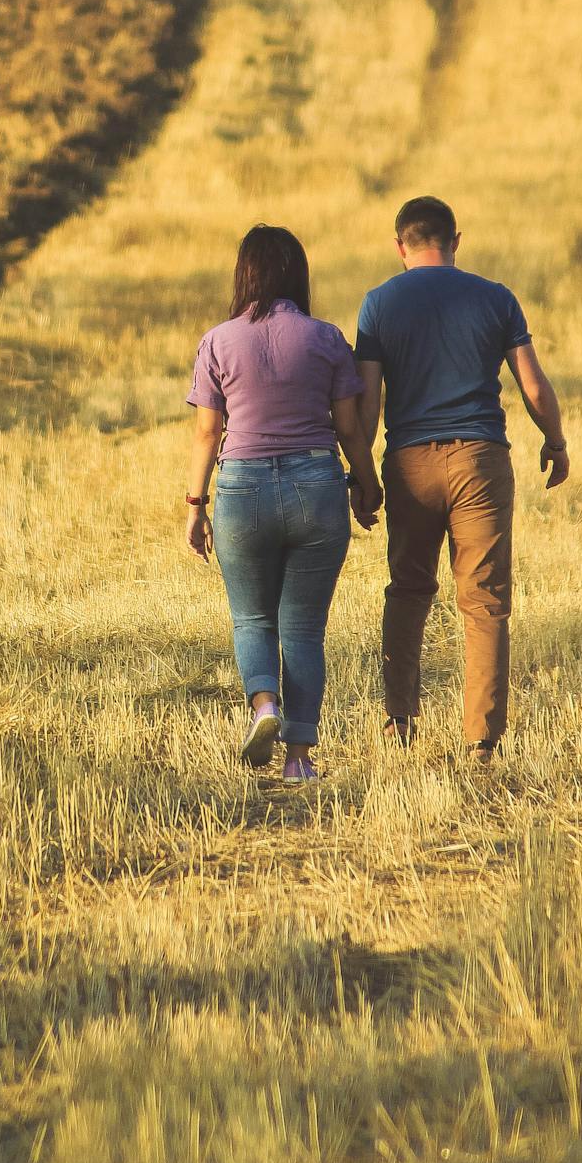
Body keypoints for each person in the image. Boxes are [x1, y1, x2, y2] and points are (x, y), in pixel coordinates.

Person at [354, 195, 569, 763]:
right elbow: (534, 386)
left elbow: (367, 402)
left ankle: (400, 720)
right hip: (479, 460)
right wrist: (555, 439)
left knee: (407, 590)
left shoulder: (378, 305)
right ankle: (481, 739)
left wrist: (360, 473)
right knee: (485, 601)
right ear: (456, 240)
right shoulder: (496, 299)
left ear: (400, 245)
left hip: (409, 463)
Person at [186, 225, 383, 782]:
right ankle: (299, 759)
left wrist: (196, 504)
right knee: (303, 628)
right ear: (297, 274)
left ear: (244, 273)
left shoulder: (218, 341)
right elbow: (348, 427)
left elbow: (207, 432)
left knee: (252, 617)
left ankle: (264, 706)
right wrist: (367, 483)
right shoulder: (325, 338)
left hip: (242, 489)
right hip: (316, 488)